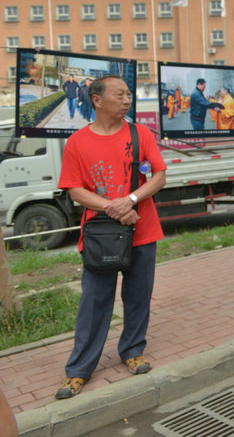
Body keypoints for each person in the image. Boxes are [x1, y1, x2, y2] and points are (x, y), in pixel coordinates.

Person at [54, 75, 167, 399]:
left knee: (138, 297)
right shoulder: (77, 142)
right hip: (100, 235)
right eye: (120, 94)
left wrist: (131, 200)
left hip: (142, 231)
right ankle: (79, 370)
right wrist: (114, 207)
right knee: (94, 302)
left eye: (129, 94)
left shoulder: (140, 133)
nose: (127, 99)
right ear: (97, 100)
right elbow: (75, 190)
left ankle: (132, 350)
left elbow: (159, 175)